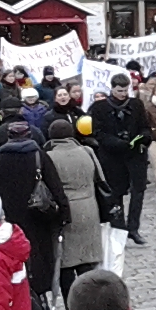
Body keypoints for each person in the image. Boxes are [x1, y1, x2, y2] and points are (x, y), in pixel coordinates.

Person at [0, 121, 65, 310]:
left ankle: (21, 299)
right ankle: (40, 299)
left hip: (8, 220)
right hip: (38, 217)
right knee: (40, 258)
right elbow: (55, 186)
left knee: (13, 259)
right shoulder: (39, 157)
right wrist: (63, 214)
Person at [45, 118, 108, 297]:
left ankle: (71, 303)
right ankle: (92, 299)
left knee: (66, 262)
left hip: (64, 210)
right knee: (87, 259)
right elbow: (101, 178)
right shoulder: (86, 151)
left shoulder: (49, 156)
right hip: (89, 207)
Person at [89, 73, 151, 245]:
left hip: (135, 155)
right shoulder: (99, 107)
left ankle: (133, 228)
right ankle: (120, 227)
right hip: (112, 157)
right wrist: (117, 143)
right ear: (112, 88)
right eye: (119, 90)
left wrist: (143, 138)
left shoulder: (136, 104)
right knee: (116, 193)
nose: (123, 94)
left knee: (138, 191)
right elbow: (98, 133)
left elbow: (145, 126)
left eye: (125, 90)